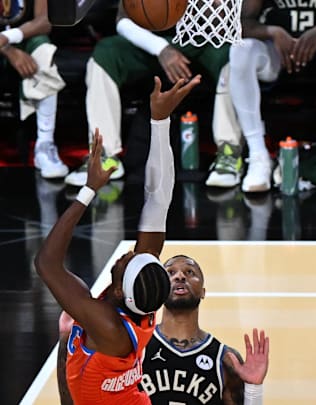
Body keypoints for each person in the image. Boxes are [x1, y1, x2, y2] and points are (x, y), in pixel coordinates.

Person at [38, 75, 201, 404]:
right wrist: (160, 120)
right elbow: (159, 198)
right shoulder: (138, 289)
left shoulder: (108, 325)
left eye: (125, 261)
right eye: (135, 257)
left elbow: (46, 264)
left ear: (116, 290)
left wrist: (88, 191)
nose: (127, 255)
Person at [64, 3, 241, 187]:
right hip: (151, 41)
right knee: (105, 53)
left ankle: (229, 153)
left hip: (203, 38)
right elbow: (122, 21)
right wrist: (161, 48)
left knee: (235, 55)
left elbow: (224, 20)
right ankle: (104, 155)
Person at [228, 0, 316, 191]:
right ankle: (258, 156)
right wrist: (272, 32)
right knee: (240, 50)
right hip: (276, 53)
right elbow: (239, 25)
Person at [139, 254, 269, 404]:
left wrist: (254, 388)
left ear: (203, 292)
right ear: (160, 290)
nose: (180, 276)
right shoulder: (137, 347)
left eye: (190, 272)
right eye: (170, 272)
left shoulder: (226, 359)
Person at [0, 0, 69, 179]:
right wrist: (8, 51)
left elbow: (45, 22)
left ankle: (44, 146)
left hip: (22, 39)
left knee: (43, 50)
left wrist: (7, 39)